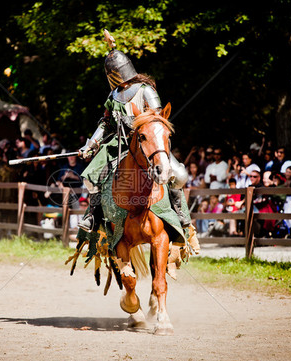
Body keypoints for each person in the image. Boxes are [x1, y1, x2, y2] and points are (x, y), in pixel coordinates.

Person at [76, 31, 199, 252]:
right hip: (117, 144)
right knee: (91, 177)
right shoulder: (113, 96)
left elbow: (157, 119)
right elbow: (105, 123)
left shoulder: (146, 91)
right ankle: (93, 217)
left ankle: (182, 219)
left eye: (113, 72)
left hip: (149, 142)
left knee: (177, 175)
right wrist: (91, 144)